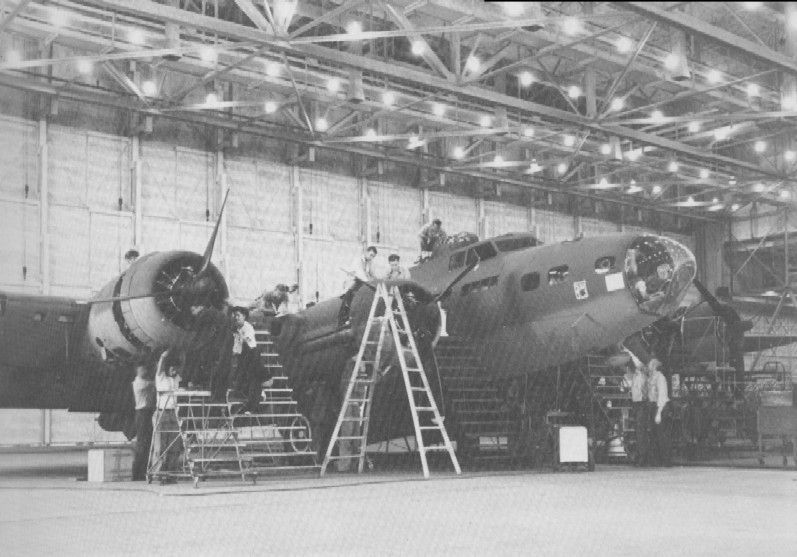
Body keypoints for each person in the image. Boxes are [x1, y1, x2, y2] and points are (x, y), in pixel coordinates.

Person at [154, 349, 183, 482]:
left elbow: (182, 367)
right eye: (172, 368)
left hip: (173, 414)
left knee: (175, 445)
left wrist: (182, 352)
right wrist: (163, 356)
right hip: (162, 413)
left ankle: (172, 473)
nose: (174, 370)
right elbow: (160, 366)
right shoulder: (160, 377)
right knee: (161, 445)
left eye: (175, 369)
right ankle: (159, 473)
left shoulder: (175, 379)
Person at [230, 306, 264, 413]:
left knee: (253, 380)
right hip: (244, 355)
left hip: (252, 353)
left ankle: (254, 403)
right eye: (234, 316)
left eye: (238, 315)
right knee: (241, 378)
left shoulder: (247, 327)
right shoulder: (237, 329)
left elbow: (247, 342)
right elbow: (237, 347)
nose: (236, 318)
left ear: (244, 316)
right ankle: (250, 399)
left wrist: (238, 336)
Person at [337, 246, 377, 327]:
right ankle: (341, 321)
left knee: (357, 300)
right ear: (366, 252)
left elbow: (372, 273)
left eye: (373, 256)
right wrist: (369, 282)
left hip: (360, 282)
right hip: (352, 282)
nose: (371, 257)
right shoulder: (358, 260)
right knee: (347, 300)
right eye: (371, 255)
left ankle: (350, 319)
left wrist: (376, 281)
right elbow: (360, 273)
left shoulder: (370, 262)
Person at [131, 356, 156, 481]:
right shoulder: (139, 383)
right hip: (142, 414)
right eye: (142, 370)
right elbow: (154, 383)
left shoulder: (142, 381)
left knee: (146, 444)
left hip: (145, 413)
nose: (145, 372)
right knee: (142, 444)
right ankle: (137, 473)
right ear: (138, 371)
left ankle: (142, 471)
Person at [622, 356, 649, 466]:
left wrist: (644, 398)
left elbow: (644, 389)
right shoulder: (636, 376)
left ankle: (642, 456)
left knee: (641, 430)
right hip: (637, 404)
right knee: (639, 431)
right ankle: (640, 455)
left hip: (641, 404)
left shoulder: (641, 376)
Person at [647, 358, 671, 466]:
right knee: (655, 434)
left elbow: (662, 395)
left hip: (660, 406)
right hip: (653, 406)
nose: (648, 367)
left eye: (650, 365)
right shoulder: (652, 378)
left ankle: (665, 460)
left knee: (661, 435)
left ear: (654, 367)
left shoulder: (660, 378)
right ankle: (657, 460)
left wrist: (658, 413)